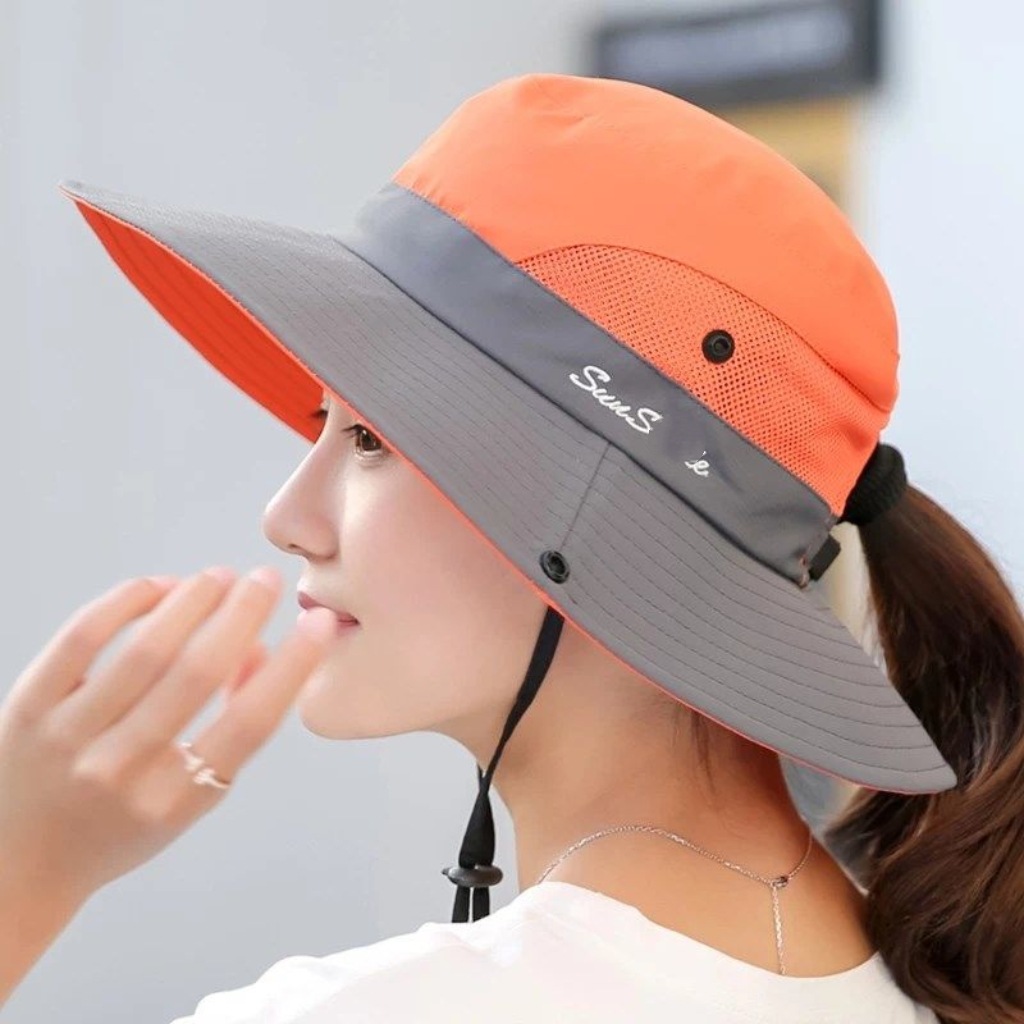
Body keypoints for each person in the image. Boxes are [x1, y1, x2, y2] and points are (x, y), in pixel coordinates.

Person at [2, 72, 1022, 1023]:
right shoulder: (934, 985)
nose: (286, 514)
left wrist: (28, 863)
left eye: (372, 438)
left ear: (603, 523)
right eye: (323, 421)